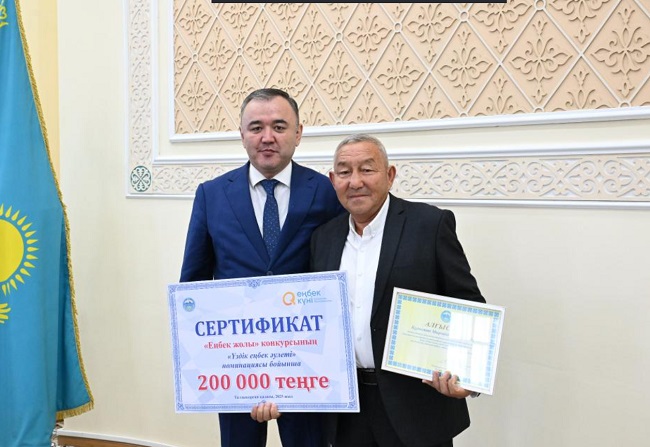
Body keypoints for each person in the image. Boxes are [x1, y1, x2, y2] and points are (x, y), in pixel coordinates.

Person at [180, 88, 342, 447]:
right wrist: (201, 361)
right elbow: (193, 282)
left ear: (298, 133)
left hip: (306, 362)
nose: (267, 137)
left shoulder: (326, 191)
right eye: (256, 127)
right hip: (235, 363)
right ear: (242, 134)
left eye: (279, 127)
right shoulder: (211, 194)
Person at [310, 134, 486, 447]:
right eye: (345, 172)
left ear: (390, 175)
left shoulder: (429, 224)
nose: (355, 182)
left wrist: (468, 378)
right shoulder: (323, 238)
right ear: (333, 180)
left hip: (416, 408)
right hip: (348, 411)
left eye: (367, 169)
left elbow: (467, 302)